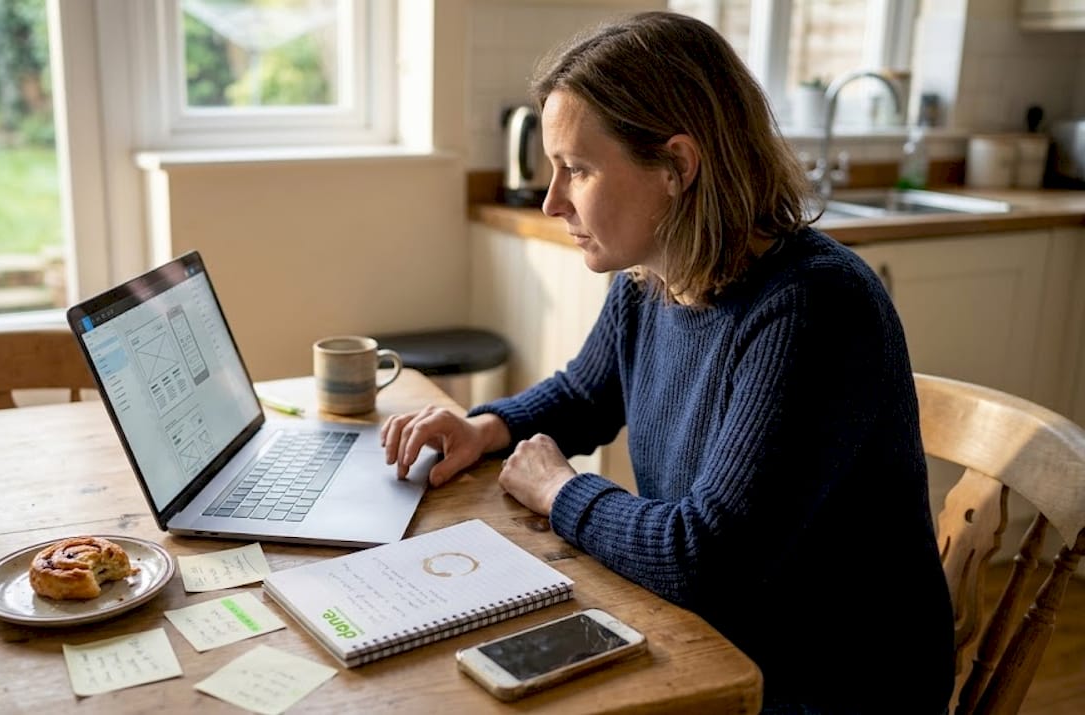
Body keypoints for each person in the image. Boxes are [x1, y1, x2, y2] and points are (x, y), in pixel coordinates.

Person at [381, 11, 954, 715]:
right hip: (715, 637)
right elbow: (586, 393)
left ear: (679, 166)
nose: (554, 200)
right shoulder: (653, 274)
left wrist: (560, 490)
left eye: (579, 169)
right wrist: (488, 427)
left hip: (825, 686)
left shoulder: (815, 307)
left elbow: (704, 560)